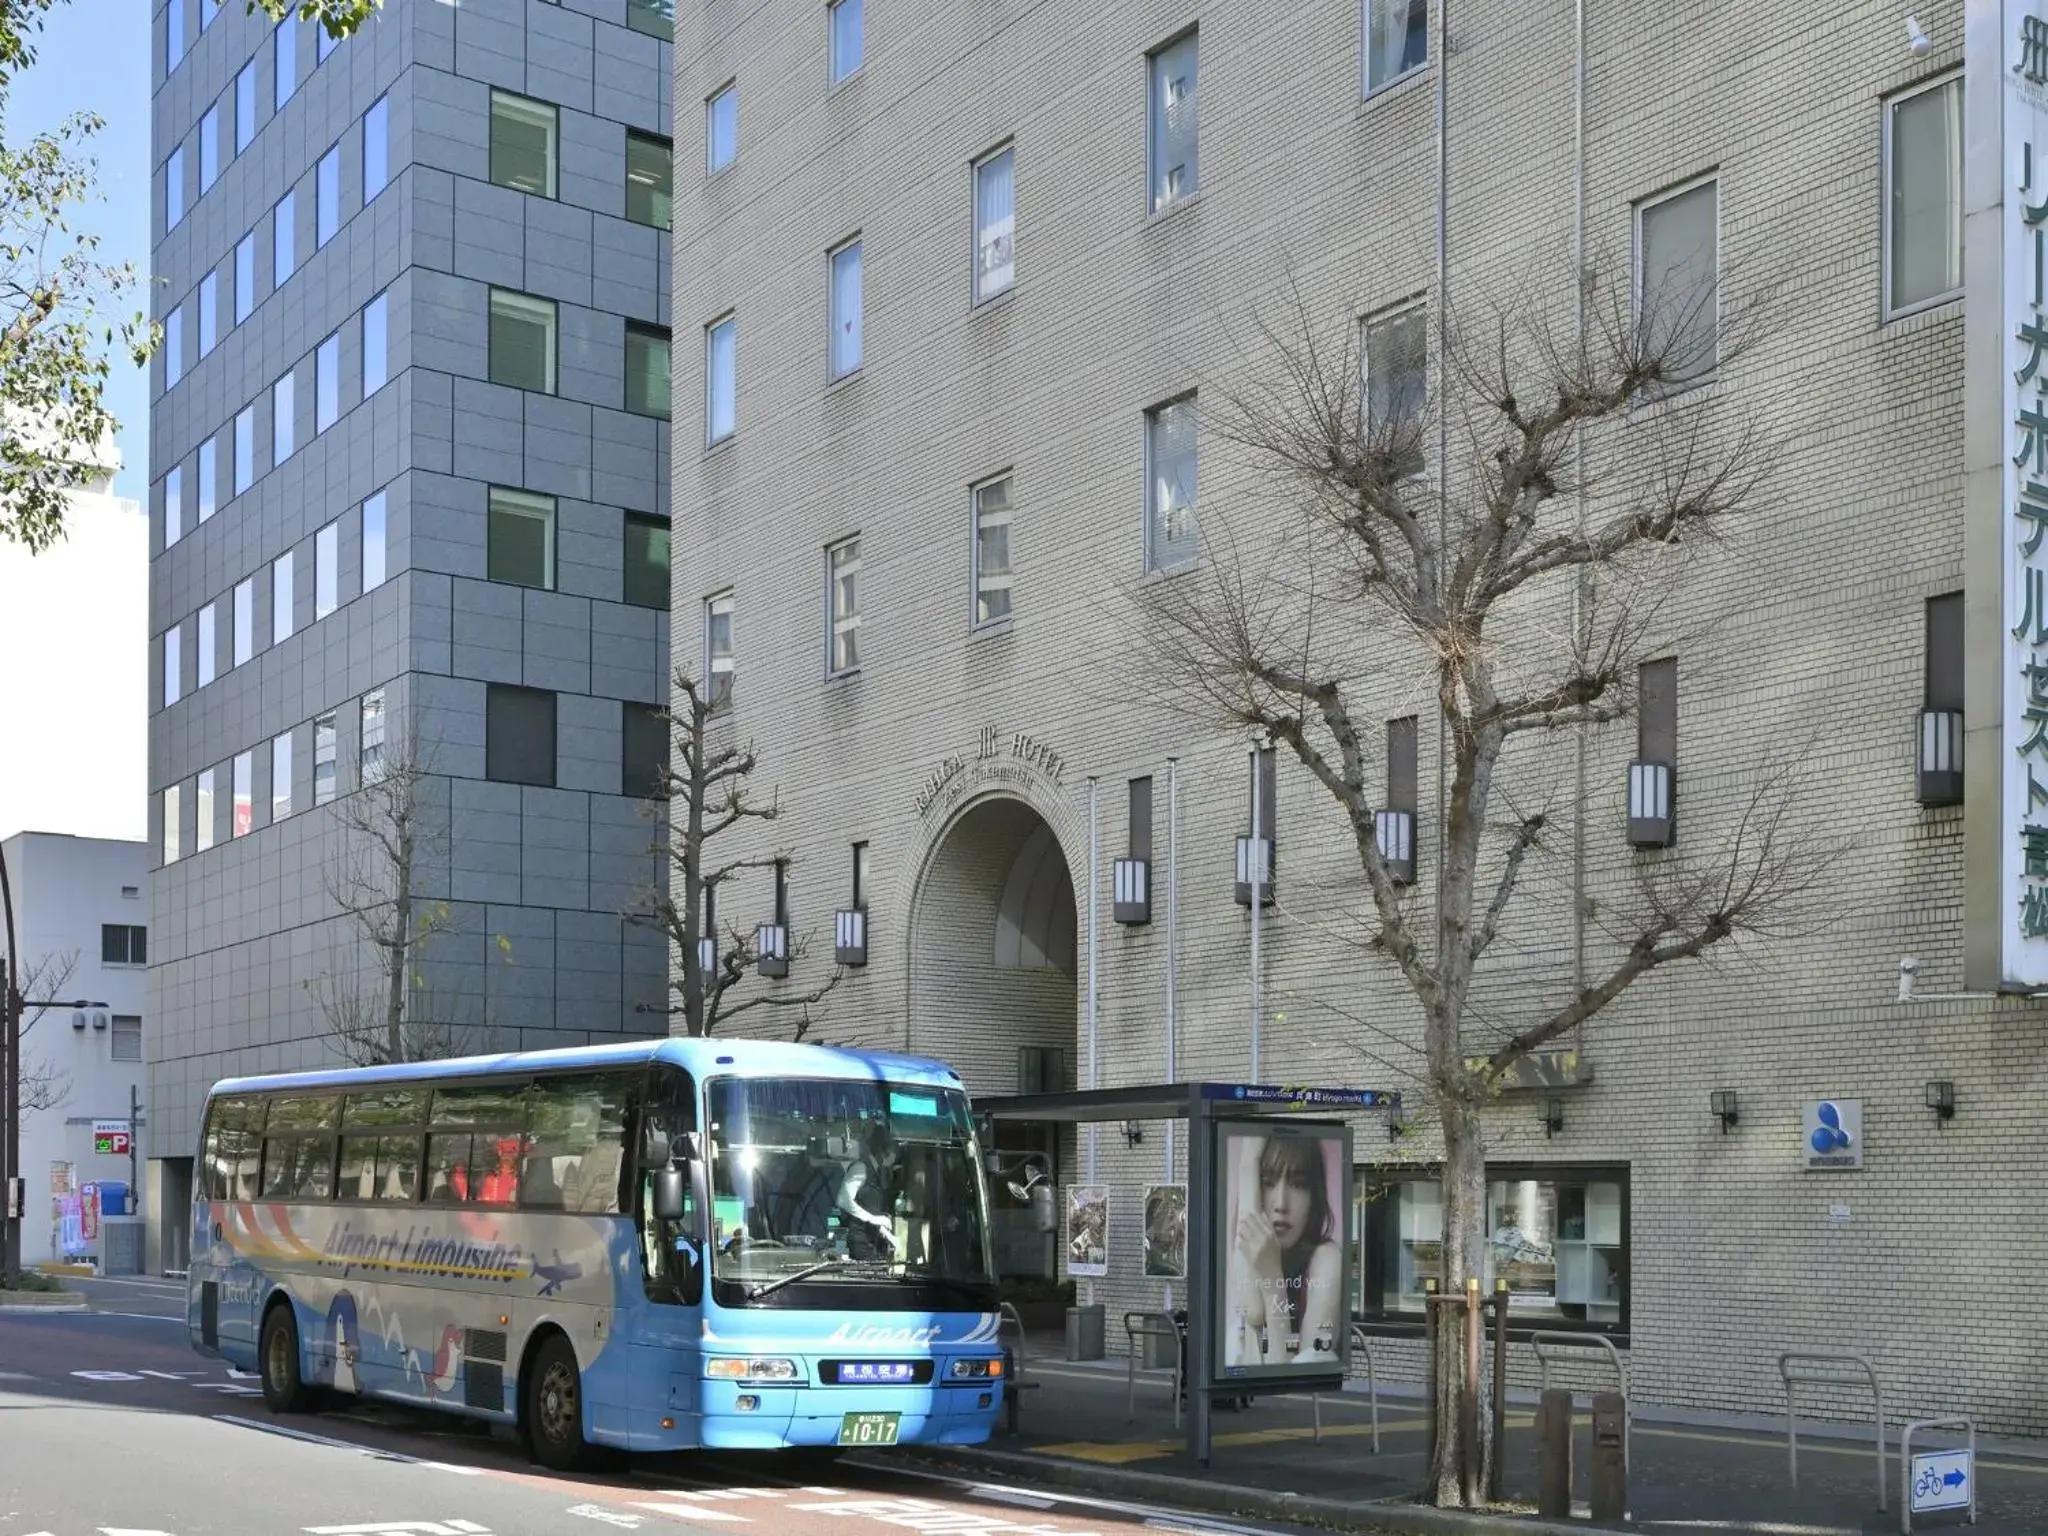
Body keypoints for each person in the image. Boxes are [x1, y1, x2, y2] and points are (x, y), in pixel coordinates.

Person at [1225, 1137, 1342, 1368]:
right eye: (1267, 1183)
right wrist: (1248, 1163)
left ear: (1314, 1196)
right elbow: (1254, 1311)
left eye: (1298, 1184)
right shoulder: (1252, 1247)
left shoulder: (1327, 1258)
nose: (1280, 1203)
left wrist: (1272, 1279)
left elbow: (1289, 1372)